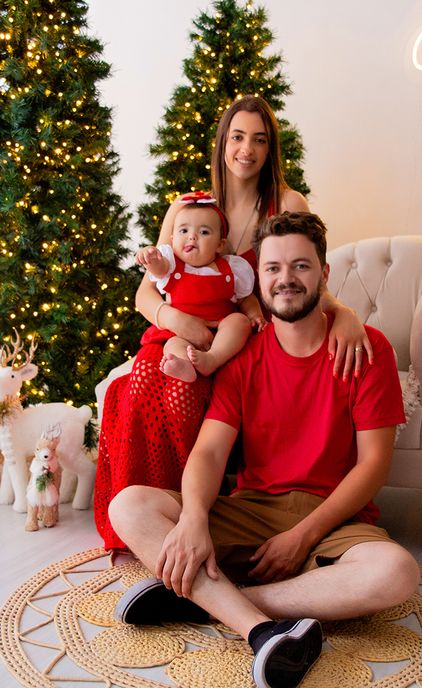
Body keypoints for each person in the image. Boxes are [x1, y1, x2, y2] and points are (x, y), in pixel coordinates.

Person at [108, 212, 420, 688]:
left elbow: (374, 464)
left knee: (397, 573)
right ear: (260, 277)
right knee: (128, 505)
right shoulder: (244, 353)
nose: (286, 279)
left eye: (300, 266)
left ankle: (210, 600)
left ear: (323, 274)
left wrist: (302, 535)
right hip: (253, 508)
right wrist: (193, 518)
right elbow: (211, 452)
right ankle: (258, 628)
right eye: (273, 268)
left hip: (331, 517)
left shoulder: (366, 349)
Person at [93, 95, 374, 551]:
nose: (247, 149)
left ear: (270, 150)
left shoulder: (285, 201)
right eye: (238, 137)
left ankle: (197, 511)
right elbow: (148, 291)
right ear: (223, 142)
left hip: (244, 337)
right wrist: (180, 321)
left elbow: (301, 272)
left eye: (260, 140)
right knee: (146, 377)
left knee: (192, 382)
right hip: (184, 328)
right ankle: (147, 515)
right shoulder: (187, 207)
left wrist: (345, 312)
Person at [138, 192, 265, 383]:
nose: (192, 237)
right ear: (172, 240)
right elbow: (158, 269)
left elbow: (245, 298)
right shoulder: (171, 264)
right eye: (184, 231)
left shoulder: (230, 269)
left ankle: (212, 358)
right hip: (181, 332)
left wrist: (255, 315)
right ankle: (184, 366)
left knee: (239, 322)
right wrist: (150, 258)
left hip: (220, 330)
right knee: (173, 346)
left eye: (204, 232)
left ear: (220, 245)